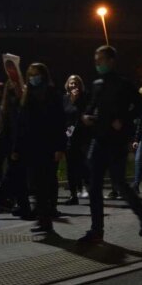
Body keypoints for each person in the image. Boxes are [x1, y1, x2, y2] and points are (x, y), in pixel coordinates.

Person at [79, 46, 142, 244]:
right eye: (96, 59)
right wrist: (86, 116)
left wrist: (124, 119)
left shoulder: (123, 84)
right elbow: (91, 106)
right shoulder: (96, 84)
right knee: (94, 185)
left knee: (118, 182)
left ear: (112, 61)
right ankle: (97, 230)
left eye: (101, 59)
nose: (97, 63)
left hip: (116, 141)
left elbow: (141, 106)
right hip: (99, 139)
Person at [12, 63, 67, 234]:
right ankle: (44, 220)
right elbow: (21, 123)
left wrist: (60, 147)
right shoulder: (27, 95)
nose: (34, 77)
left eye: (36, 74)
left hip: (48, 146)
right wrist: (16, 147)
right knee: (36, 185)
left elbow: (59, 121)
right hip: (32, 146)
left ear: (43, 75)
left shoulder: (51, 94)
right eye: (31, 74)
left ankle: (45, 219)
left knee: (45, 183)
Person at [0, 79, 31, 218]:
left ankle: (23, 207)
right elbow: (9, 129)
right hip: (15, 146)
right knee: (13, 176)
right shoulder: (13, 104)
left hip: (16, 145)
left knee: (16, 176)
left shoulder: (12, 104)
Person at [63, 75, 89, 205]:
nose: (73, 86)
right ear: (68, 85)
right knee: (70, 167)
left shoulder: (84, 98)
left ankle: (88, 188)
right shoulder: (65, 99)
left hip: (83, 137)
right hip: (69, 136)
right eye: (71, 83)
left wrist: (77, 99)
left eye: (76, 83)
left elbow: (84, 114)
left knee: (84, 165)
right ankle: (73, 195)